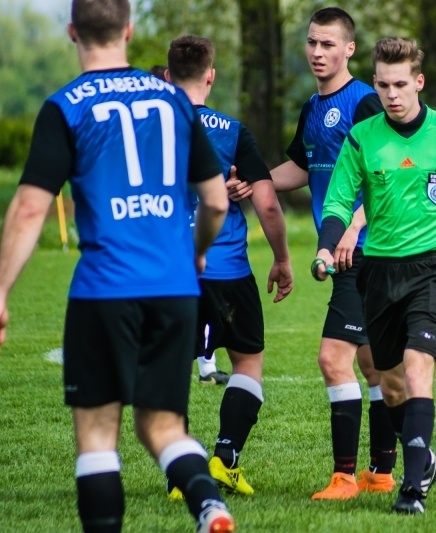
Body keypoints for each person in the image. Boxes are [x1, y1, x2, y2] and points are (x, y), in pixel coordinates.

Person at [0, 1, 235, 532]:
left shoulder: (66, 106)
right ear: (129, 31)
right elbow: (217, 201)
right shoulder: (175, 100)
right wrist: (196, 251)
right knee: (164, 428)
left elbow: (32, 206)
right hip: (174, 289)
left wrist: (0, 292)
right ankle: (208, 504)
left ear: (71, 33)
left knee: (98, 436)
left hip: (104, 290)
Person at [315, 36, 436, 515]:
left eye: (401, 84)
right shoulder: (363, 138)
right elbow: (339, 199)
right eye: (383, 85)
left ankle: (412, 489)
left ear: (419, 82)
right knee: (390, 380)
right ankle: (425, 458)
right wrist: (325, 243)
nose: (392, 94)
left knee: (419, 364)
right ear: (375, 84)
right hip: (378, 270)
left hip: (435, 267)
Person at [270, 7, 397, 500]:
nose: (317, 53)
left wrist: (351, 230)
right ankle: (382, 474)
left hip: (365, 250)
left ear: (349, 49)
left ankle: (344, 477)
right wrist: (250, 182)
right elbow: (300, 168)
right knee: (374, 367)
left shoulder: (366, 103)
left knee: (333, 359)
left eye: (328, 45)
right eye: (312, 43)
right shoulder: (310, 108)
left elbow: (384, 176)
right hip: (345, 251)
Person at [165, 34, 293, 497]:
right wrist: (281, 259)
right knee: (248, 362)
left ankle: (183, 472)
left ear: (166, 76)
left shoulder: (148, 127)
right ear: (211, 76)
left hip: (166, 271)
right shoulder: (232, 131)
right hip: (228, 271)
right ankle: (224, 457)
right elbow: (269, 205)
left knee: (169, 367)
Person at [151, 61, 232, 387]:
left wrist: (234, 183)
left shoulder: (188, 127)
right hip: (174, 237)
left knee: (196, 305)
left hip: (175, 237)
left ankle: (204, 366)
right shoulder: (162, 129)